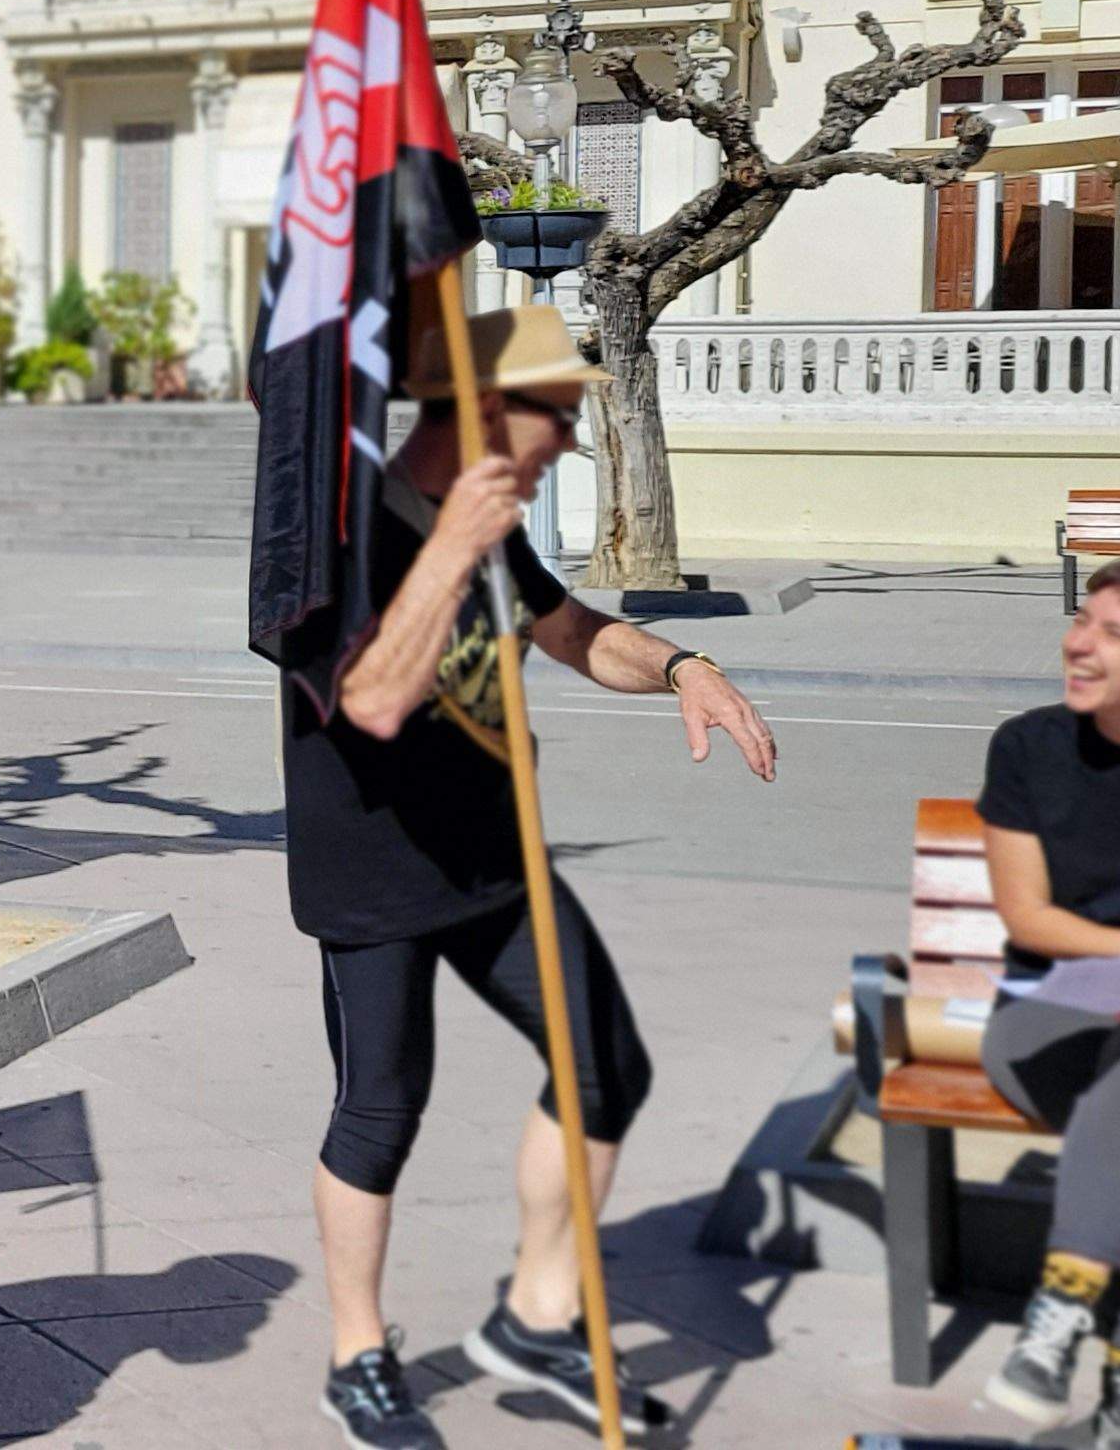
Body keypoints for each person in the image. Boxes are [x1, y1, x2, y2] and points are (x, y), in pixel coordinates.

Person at [282, 305, 774, 1449]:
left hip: (492, 855)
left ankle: (537, 1314)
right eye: (557, 414)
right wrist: (449, 545)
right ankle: (357, 1356)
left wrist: (681, 666)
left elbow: (569, 633)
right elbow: (372, 699)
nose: (567, 438)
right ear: (491, 411)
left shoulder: (493, 530)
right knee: (379, 1111)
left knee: (604, 1065)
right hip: (373, 874)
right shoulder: (339, 538)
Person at [973, 557, 1120, 1448]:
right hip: (1044, 1017)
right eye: (1084, 620)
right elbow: (1030, 918)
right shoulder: (1028, 745)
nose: (1079, 643)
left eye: (1116, 634)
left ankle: (1086, 1344)